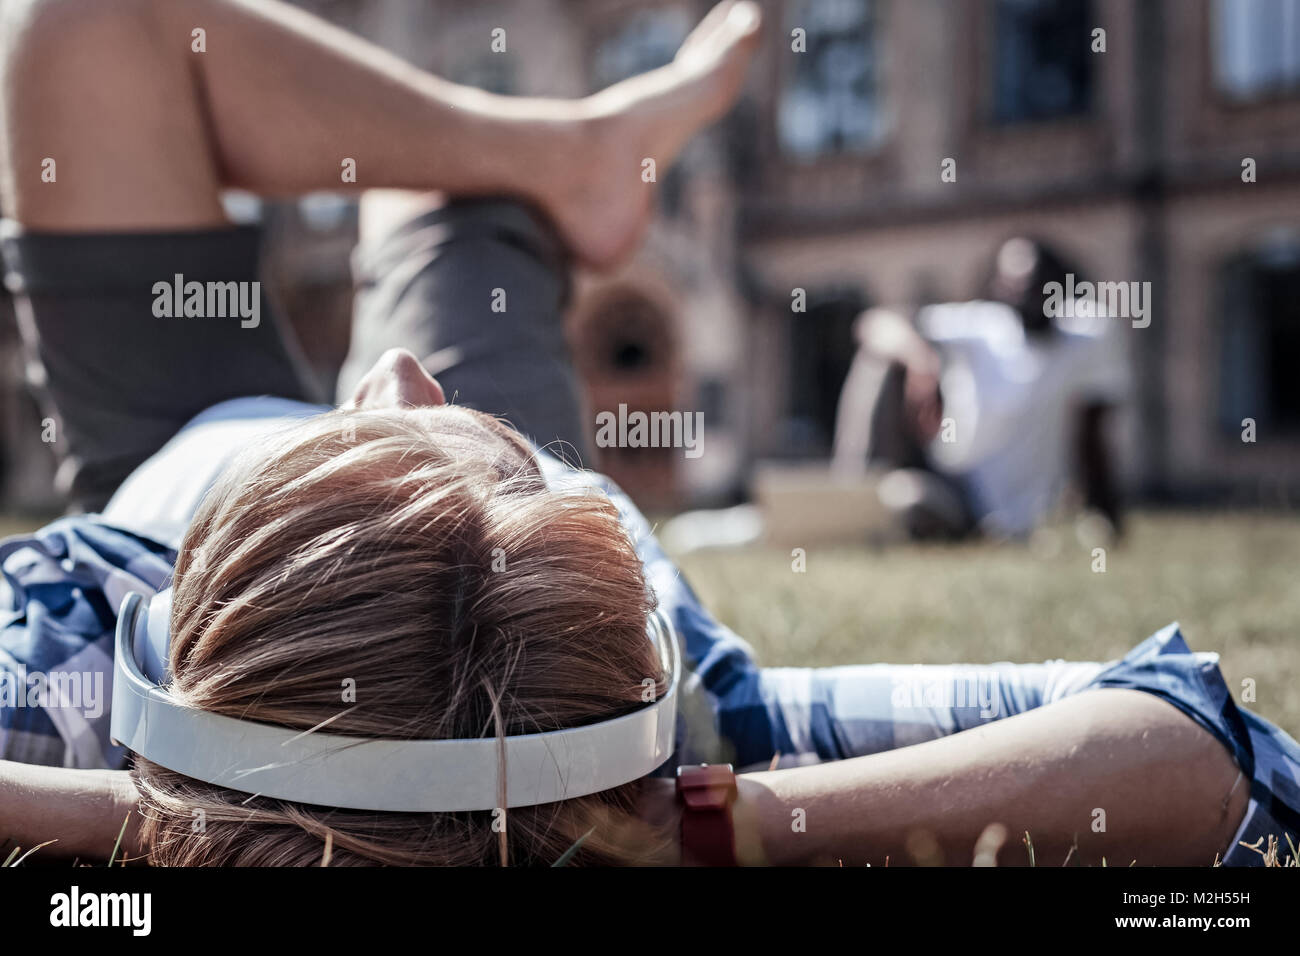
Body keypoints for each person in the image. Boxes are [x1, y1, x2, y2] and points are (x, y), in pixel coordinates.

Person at [0, 0, 1296, 867]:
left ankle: (555, 157)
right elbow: (1205, 745)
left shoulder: (53, 684)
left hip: (161, 454)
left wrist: (152, 811)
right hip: (378, 612)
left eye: (382, 441)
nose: (402, 374)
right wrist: (710, 829)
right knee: (421, 179)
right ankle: (561, 160)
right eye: (481, 442)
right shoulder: (653, 715)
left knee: (75, 17)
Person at [833, 238, 1127, 540]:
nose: (1026, 293)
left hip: (996, 513)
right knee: (876, 362)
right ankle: (850, 491)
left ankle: (879, 516)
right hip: (953, 481)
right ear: (1000, 287)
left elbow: (1093, 432)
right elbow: (874, 324)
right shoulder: (985, 327)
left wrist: (1107, 513)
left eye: (1038, 282)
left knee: (907, 501)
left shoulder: (1086, 336)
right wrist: (920, 359)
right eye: (1015, 283)